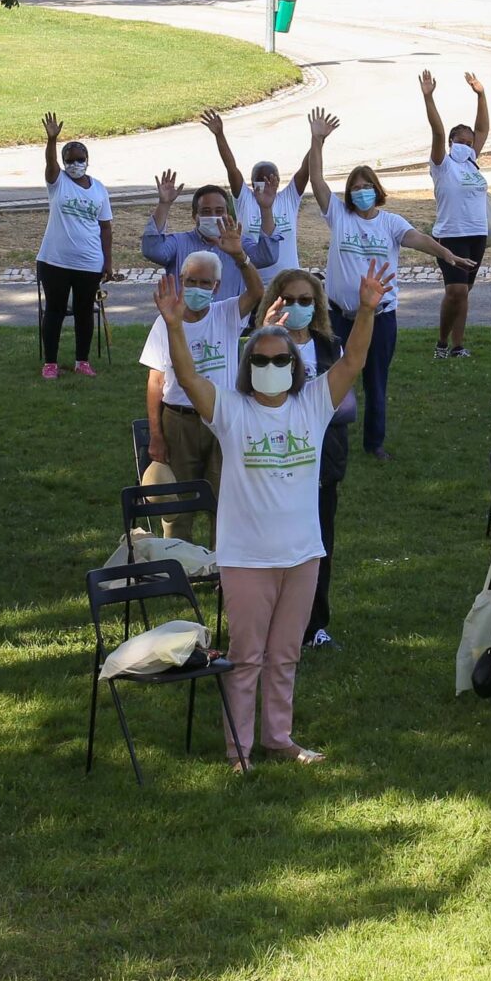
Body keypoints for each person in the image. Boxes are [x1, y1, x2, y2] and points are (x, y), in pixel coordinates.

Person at [152, 261, 383, 768]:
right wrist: (173, 325)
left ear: (296, 367)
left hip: (302, 555)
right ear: (248, 364)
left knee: (286, 656)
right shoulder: (230, 410)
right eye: (261, 359)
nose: (272, 366)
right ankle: (239, 749)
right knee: (247, 658)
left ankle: (279, 737)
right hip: (247, 559)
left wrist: (366, 311)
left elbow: (354, 360)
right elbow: (187, 376)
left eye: (281, 359)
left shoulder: (313, 404)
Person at [305, 108, 476, 460]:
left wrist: (447, 255)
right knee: (330, 377)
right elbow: (317, 179)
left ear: (376, 190)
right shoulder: (339, 215)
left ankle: (374, 443)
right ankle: (323, 436)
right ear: (349, 193)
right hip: (338, 316)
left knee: (376, 379)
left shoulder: (390, 223)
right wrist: (317, 140)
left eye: (367, 187)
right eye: (355, 188)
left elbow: (419, 239)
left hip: (379, 316)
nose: (361, 192)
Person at [264, 268, 354, 648]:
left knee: (319, 544)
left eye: (306, 300)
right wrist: (266, 334)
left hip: (322, 460)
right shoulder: (264, 346)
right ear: (276, 300)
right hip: (276, 461)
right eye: (290, 300)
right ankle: (273, 620)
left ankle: (313, 624)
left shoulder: (331, 347)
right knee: (275, 543)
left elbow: (345, 405)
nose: (298, 307)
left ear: (316, 305)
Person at [140, 231, 264, 487]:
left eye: (205, 283)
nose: (197, 288)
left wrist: (240, 257)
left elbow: (256, 292)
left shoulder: (227, 313)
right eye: (191, 281)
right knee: (180, 496)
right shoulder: (165, 323)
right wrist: (156, 435)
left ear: (216, 286)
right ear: (181, 281)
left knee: (222, 493)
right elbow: (155, 382)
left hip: (221, 416)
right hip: (179, 420)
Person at [34, 115, 113, 379]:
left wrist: (108, 262)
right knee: (54, 311)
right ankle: (50, 363)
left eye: (80, 159)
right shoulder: (58, 182)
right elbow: (50, 164)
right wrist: (52, 140)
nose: (75, 164)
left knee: (84, 312)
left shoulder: (99, 189)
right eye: (70, 160)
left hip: (89, 262)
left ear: (87, 160)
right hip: (54, 260)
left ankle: (82, 361)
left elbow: (106, 227)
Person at [420, 70, 491, 359]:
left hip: (477, 235)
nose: (467, 146)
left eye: (469, 142)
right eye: (460, 141)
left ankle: (457, 346)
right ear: (451, 142)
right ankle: (442, 344)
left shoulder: (472, 162)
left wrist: (481, 94)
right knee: (456, 291)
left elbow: (483, 129)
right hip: (451, 236)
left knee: (464, 292)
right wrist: (429, 97)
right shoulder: (442, 165)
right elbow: (437, 132)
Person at [202, 107, 314, 279]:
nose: (265, 185)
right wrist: (219, 135)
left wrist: (318, 139)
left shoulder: (288, 198)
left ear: (278, 180)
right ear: (252, 182)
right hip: (254, 281)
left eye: (270, 179)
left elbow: (305, 169)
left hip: (289, 281)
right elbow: (231, 168)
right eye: (260, 180)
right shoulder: (245, 199)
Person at [142, 164, 275, 307]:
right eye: (206, 211)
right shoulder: (179, 243)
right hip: (184, 318)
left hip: (229, 318)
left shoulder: (238, 244)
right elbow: (153, 251)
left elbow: (267, 256)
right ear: (195, 216)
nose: (213, 216)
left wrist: (266, 209)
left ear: (228, 214)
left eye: (219, 211)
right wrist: (164, 205)